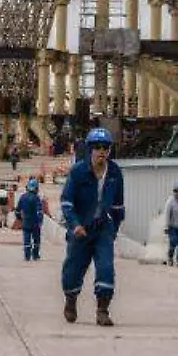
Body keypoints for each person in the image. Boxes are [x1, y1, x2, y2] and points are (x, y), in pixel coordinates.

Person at [60, 127, 125, 327]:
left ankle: (102, 310)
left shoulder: (114, 172)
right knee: (72, 270)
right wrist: (75, 224)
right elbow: (66, 201)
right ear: (90, 149)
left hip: (103, 228)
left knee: (106, 267)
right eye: (97, 147)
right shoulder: (78, 171)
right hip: (80, 229)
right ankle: (71, 300)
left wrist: (113, 229)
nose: (101, 151)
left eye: (105, 147)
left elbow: (118, 206)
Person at [16, 177, 45, 261]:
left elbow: (17, 210)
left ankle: (27, 256)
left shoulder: (23, 197)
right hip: (35, 223)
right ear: (36, 188)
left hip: (25, 222)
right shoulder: (36, 198)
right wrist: (40, 221)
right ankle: (35, 256)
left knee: (26, 240)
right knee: (36, 240)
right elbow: (39, 211)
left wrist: (19, 219)